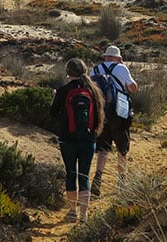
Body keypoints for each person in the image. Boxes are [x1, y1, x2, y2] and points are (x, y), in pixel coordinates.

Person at [49, 58, 105, 222]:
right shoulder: (94, 91)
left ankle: (72, 211)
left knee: (71, 174)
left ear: (68, 73)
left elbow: (52, 114)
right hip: (88, 139)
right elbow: (99, 117)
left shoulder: (63, 91)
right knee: (84, 176)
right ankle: (84, 214)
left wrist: (56, 98)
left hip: (67, 139)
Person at [90, 45, 138, 196]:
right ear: (118, 57)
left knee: (103, 148)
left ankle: (98, 177)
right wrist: (123, 67)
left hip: (102, 113)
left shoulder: (95, 70)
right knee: (122, 149)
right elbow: (133, 88)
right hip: (119, 114)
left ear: (105, 56)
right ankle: (121, 182)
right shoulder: (121, 68)